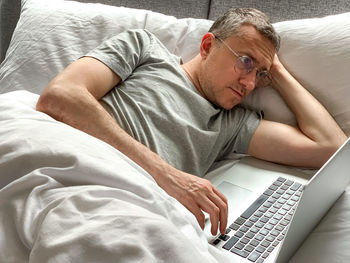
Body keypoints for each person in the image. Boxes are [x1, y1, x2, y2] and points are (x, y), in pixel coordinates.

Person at [36, 8, 347, 237]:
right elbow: (60, 96)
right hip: (68, 170)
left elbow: (330, 147)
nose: (250, 83)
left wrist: (275, 71)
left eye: (259, 74)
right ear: (208, 45)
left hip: (122, 216)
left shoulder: (231, 124)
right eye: (246, 61)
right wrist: (168, 177)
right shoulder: (144, 48)